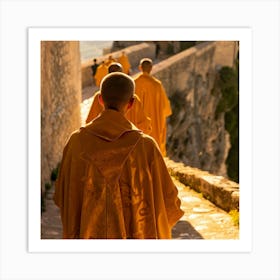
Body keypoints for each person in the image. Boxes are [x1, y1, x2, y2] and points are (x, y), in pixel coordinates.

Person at [54, 72, 184, 239]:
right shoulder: (146, 147)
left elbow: (62, 196)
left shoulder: (76, 143)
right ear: (131, 103)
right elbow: (169, 203)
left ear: (100, 100)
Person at [86, 63, 152, 135]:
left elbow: (90, 122)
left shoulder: (99, 96)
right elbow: (145, 127)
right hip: (130, 143)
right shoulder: (133, 98)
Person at [134, 58, 172, 156]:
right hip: (154, 125)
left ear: (140, 68)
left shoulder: (134, 84)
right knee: (153, 150)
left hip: (137, 125)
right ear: (151, 68)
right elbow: (165, 108)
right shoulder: (157, 85)